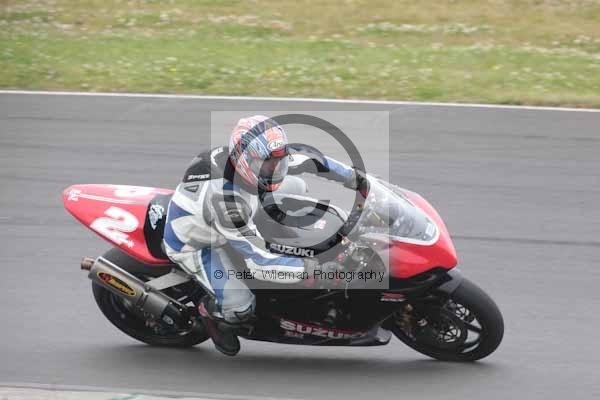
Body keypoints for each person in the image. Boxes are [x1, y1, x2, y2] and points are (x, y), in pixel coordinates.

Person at [162, 115, 367, 356]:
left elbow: (313, 161)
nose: (276, 169)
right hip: (197, 243)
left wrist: (354, 178)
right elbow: (259, 262)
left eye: (279, 161)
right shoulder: (228, 203)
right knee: (240, 307)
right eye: (268, 165)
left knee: (298, 186)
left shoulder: (258, 161)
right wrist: (313, 269)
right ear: (245, 160)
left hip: (241, 205)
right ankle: (211, 313)